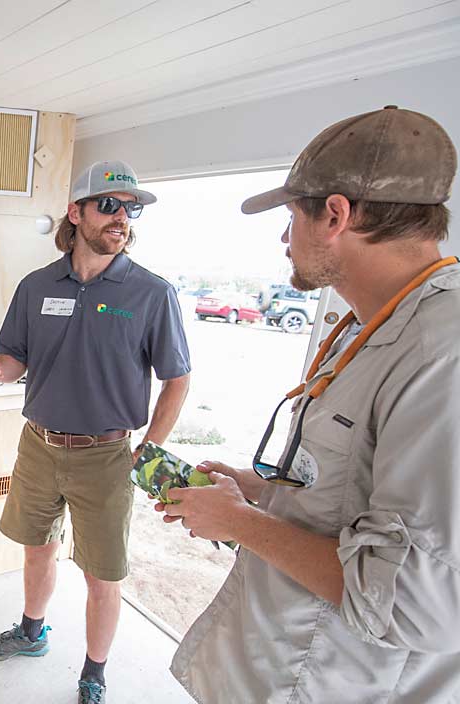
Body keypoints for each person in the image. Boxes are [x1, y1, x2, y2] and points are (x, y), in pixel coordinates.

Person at [159, 106, 460, 703]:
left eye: (291, 216)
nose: (283, 237)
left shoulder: (441, 351)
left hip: (340, 683)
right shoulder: (367, 325)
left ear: (335, 214)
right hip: (281, 666)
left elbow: (416, 603)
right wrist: (254, 488)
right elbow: (346, 489)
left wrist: (241, 524)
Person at [0, 160, 192, 703]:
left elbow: (177, 379)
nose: (122, 217)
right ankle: (30, 632)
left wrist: (150, 447)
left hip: (108, 456)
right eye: (109, 205)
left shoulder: (151, 293)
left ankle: (94, 672)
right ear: (77, 212)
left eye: (130, 208)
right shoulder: (36, 285)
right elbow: (16, 356)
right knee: (37, 549)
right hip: (39, 445)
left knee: (102, 574)